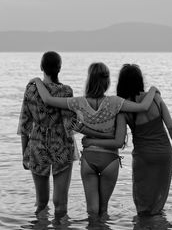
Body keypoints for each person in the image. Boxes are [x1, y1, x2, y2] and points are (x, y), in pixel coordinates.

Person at [30, 62, 158, 220]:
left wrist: (37, 80)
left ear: (89, 80)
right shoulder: (116, 103)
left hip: (89, 160)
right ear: (107, 81)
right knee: (103, 211)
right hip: (110, 159)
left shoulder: (78, 102)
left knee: (92, 211)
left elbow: (48, 99)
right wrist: (153, 90)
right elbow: (144, 107)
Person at [83, 64, 172, 216]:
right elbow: (171, 128)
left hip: (143, 156)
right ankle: (157, 222)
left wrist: (92, 139)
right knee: (158, 197)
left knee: (142, 199)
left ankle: (142, 223)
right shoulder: (155, 99)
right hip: (164, 154)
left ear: (121, 83)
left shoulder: (123, 108)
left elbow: (119, 140)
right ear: (140, 81)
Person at [17, 51, 78, 220]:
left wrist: (25, 153)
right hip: (62, 145)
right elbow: (69, 125)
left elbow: (24, 124)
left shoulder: (32, 89)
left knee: (41, 202)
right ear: (59, 68)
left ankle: (40, 225)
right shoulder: (66, 91)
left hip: (37, 145)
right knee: (61, 203)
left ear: (41, 67)